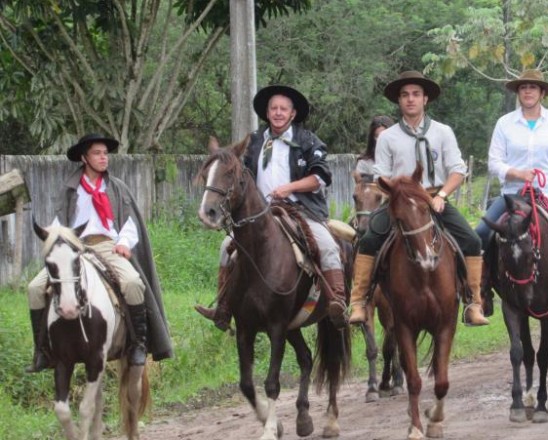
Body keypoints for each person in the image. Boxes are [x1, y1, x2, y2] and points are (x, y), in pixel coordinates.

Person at [195, 85, 349, 329]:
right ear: (267, 113)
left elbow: (320, 178)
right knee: (226, 246)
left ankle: (337, 302)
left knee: (328, 246)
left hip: (302, 211)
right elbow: (238, 175)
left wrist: (289, 188)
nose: (278, 113)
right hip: (261, 214)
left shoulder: (308, 141)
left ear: (293, 113)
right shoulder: (255, 142)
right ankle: (223, 307)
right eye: (273, 108)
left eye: (283, 109)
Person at [348, 70, 489, 326]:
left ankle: (473, 303)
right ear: (399, 101)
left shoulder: (443, 132)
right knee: (368, 240)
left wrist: (442, 195)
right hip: (399, 202)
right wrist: (398, 196)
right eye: (404, 95)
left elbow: (458, 169)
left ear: (425, 99)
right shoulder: (387, 137)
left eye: (415, 94)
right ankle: (359, 301)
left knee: (472, 240)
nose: (410, 99)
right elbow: (381, 175)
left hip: (435, 198)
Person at [26, 134, 173, 372]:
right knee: (34, 288)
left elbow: (130, 222)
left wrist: (124, 242)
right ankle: (42, 351)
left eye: (105, 153)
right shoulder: (70, 189)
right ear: (84, 158)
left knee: (133, 283)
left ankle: (138, 344)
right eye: (97, 153)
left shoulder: (116, 187)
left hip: (108, 245)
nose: (103, 158)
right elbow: (58, 224)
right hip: (75, 248)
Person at [474, 69, 548, 317]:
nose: (527, 91)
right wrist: (518, 174)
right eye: (523, 87)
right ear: (518, 92)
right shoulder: (504, 123)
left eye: (533, 87)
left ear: (542, 93)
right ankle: (482, 292)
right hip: (513, 195)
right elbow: (494, 162)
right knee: (481, 233)